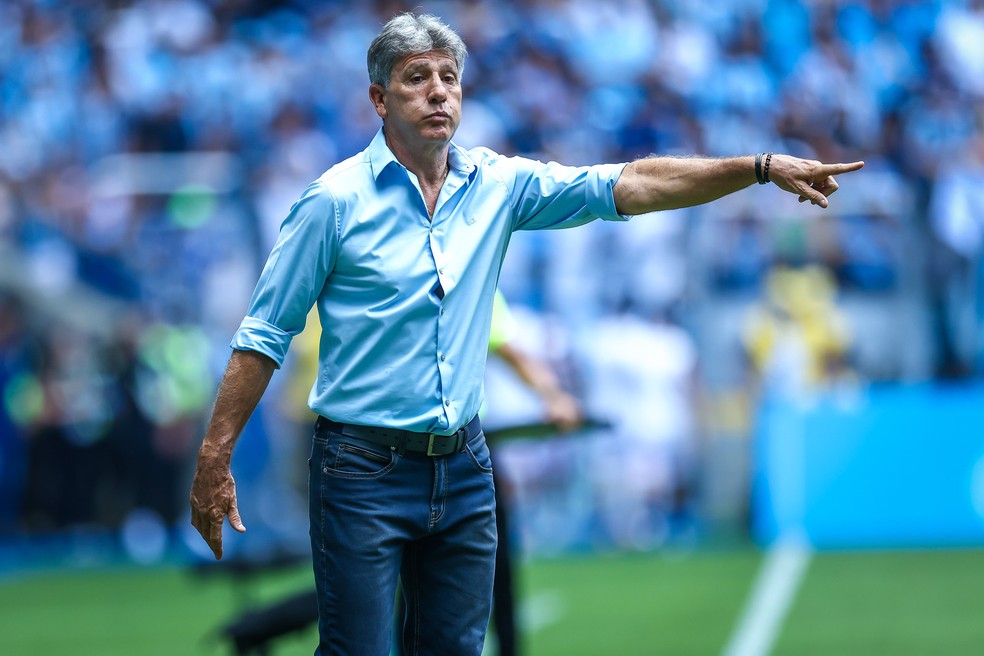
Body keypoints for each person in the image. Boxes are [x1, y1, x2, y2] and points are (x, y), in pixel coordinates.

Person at [189, 12, 863, 656]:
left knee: (456, 650)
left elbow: (631, 183)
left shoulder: (498, 185)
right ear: (378, 98)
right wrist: (215, 458)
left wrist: (759, 167)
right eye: (416, 78)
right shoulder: (332, 203)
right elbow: (263, 334)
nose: (437, 93)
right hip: (361, 468)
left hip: (463, 467)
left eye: (448, 77)